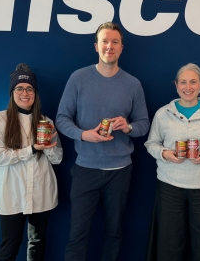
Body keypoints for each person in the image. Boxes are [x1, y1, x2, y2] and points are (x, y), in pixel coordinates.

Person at [56, 22, 150, 261]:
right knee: (78, 234)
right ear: (96, 46)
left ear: (122, 48)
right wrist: (84, 134)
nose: (110, 46)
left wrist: (127, 127)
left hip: (120, 172)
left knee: (114, 233)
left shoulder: (133, 84)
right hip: (86, 169)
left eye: (115, 42)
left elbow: (143, 125)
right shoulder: (78, 78)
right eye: (105, 41)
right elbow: (62, 118)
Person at [144, 63, 200, 261]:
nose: (188, 87)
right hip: (170, 187)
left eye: (193, 82)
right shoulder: (163, 114)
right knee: (169, 243)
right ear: (176, 85)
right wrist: (165, 153)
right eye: (183, 82)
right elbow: (151, 144)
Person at [0, 63, 63, 261]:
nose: (25, 93)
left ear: (35, 93)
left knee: (37, 243)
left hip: (41, 191)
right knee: (10, 245)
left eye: (29, 89)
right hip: (12, 192)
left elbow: (57, 159)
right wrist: (32, 149)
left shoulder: (46, 121)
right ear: (12, 92)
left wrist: (50, 145)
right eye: (19, 88)